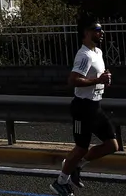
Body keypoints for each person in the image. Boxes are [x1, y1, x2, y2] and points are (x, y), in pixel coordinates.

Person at [51, 20, 118, 195]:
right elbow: (73, 80)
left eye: (101, 30)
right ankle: (60, 182)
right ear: (86, 33)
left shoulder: (98, 52)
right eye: (97, 30)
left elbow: (94, 78)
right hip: (83, 107)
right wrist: (98, 80)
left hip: (95, 105)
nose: (101, 33)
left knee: (112, 145)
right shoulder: (84, 55)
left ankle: (77, 166)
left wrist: (104, 79)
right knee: (81, 148)